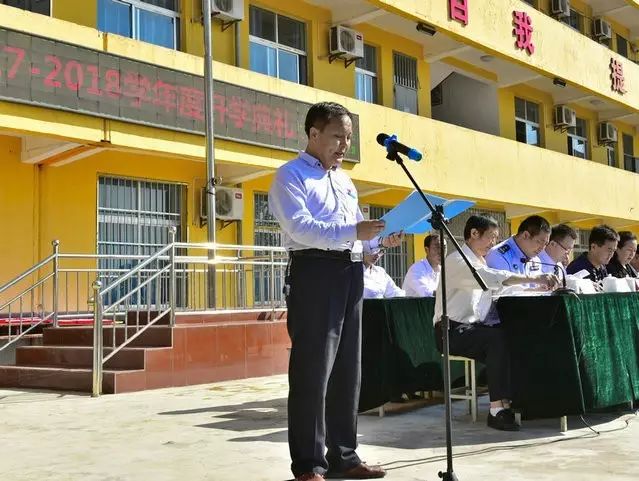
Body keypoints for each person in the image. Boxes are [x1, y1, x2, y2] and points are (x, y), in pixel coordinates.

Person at [268, 102, 401, 481]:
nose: (344, 145)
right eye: (337, 136)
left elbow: (355, 233)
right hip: (313, 272)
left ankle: (344, 455)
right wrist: (354, 234)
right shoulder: (289, 176)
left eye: (348, 138)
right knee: (313, 370)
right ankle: (308, 465)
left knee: (348, 369)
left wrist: (377, 244)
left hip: (350, 272)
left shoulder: (344, 180)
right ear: (313, 134)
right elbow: (300, 229)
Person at [433, 215, 558, 431]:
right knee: (496, 340)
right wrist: (535, 279)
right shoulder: (458, 261)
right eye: (491, 238)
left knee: (512, 336)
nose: (493, 243)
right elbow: (491, 278)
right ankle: (496, 410)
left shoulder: (479, 260)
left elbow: (500, 288)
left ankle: (517, 399)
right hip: (450, 331)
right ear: (474, 234)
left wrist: (535, 288)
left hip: (473, 328)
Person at [485, 215, 551, 275]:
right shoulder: (498, 255)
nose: (542, 248)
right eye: (539, 242)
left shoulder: (535, 260)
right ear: (525, 235)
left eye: (545, 244)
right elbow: (506, 287)